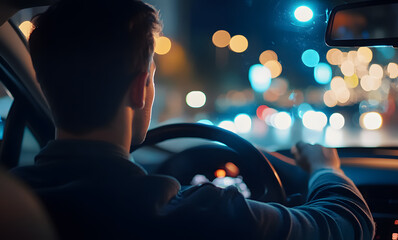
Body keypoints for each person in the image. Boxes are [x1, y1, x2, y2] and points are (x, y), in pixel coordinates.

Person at [11, 0, 375, 239]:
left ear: (43, 85)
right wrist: (326, 169)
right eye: (152, 77)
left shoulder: (12, 202)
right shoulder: (193, 215)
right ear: (141, 87)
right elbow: (349, 224)